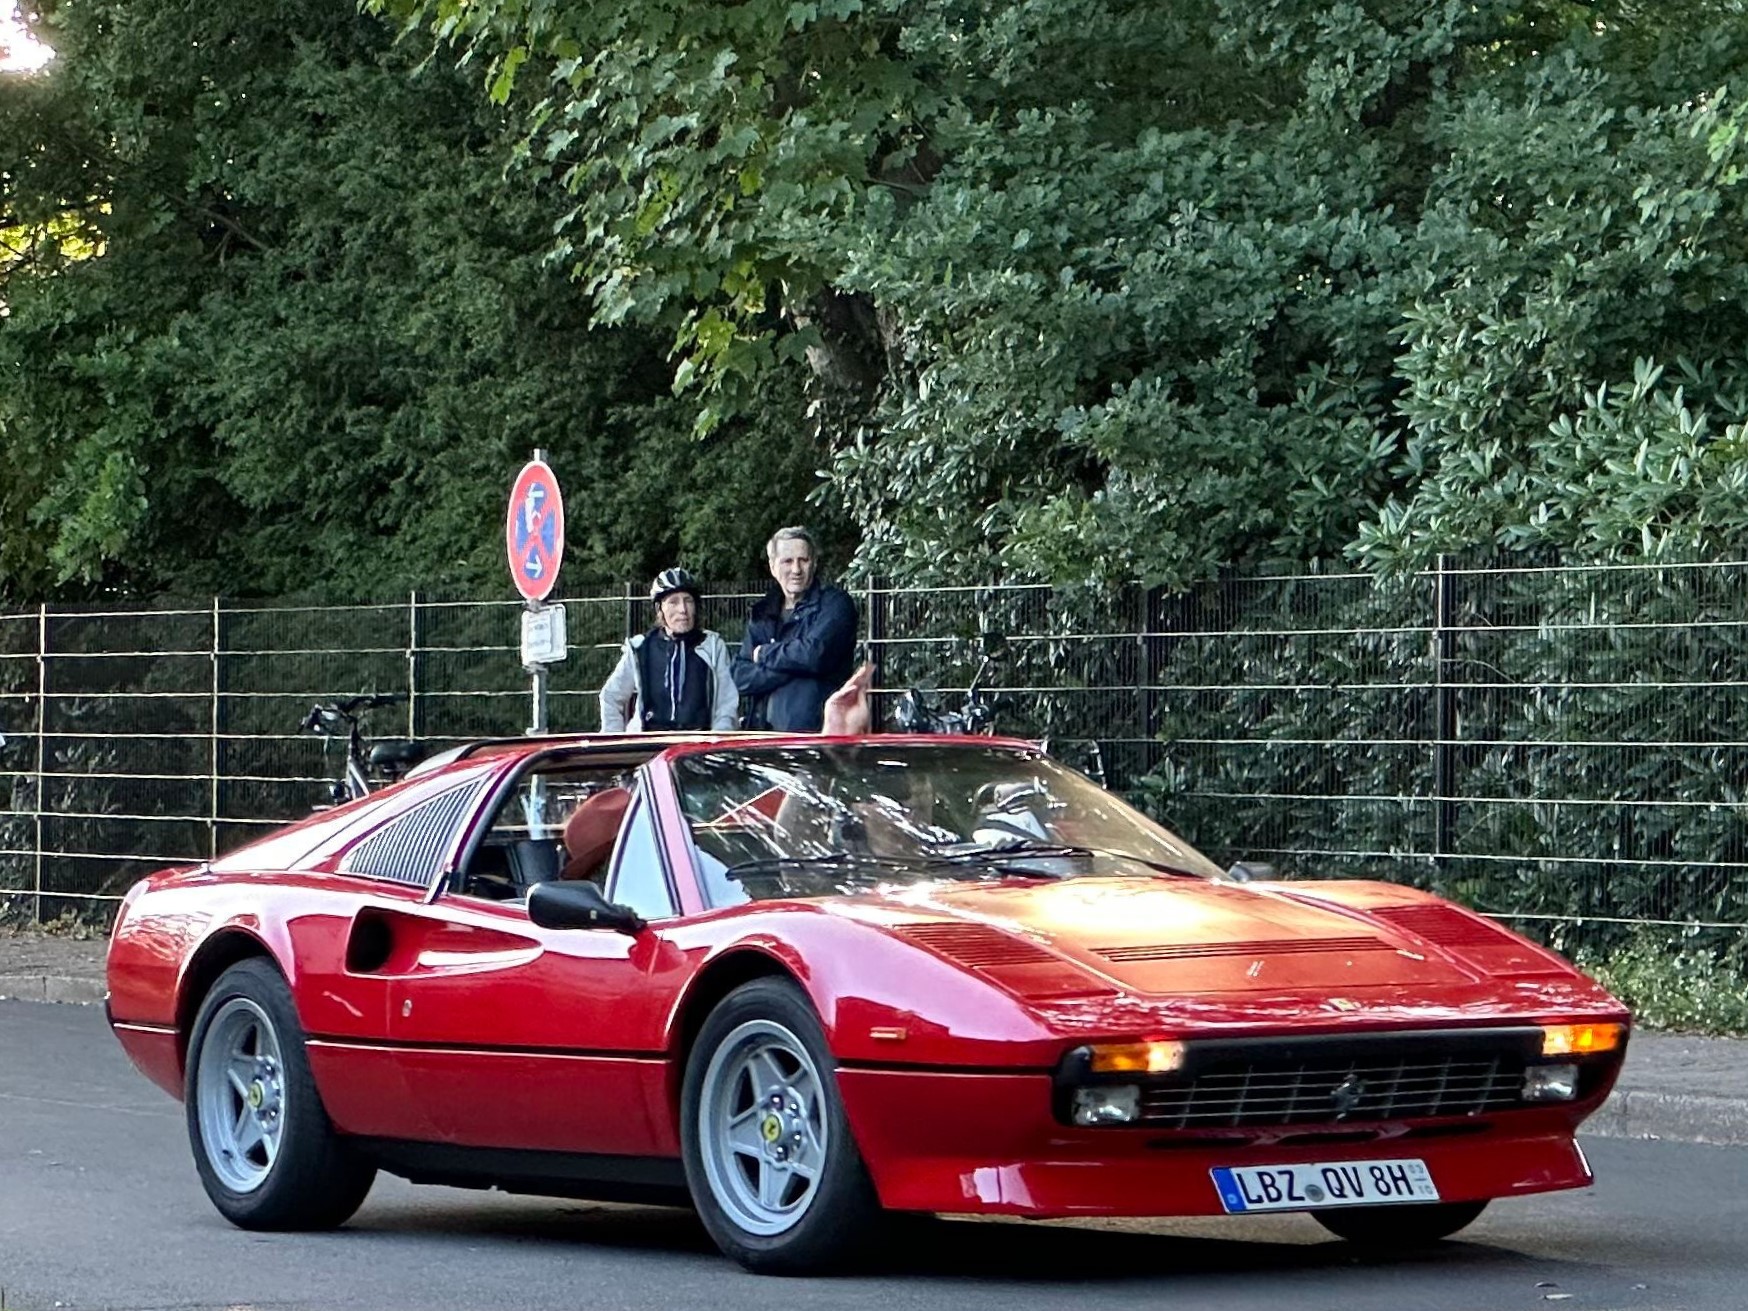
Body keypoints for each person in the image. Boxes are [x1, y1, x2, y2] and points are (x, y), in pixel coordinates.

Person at [732, 526, 859, 731]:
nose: (796, 569)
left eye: (804, 560)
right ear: (773, 567)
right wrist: (797, 667)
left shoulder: (835, 604)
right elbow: (740, 676)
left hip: (818, 737)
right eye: (787, 561)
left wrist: (764, 654)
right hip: (762, 737)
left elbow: (815, 654)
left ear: (814, 563)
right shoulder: (762, 613)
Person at [599, 568, 739, 732]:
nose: (683, 609)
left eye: (688, 601)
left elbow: (726, 705)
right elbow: (611, 696)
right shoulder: (640, 648)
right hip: (649, 744)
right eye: (673, 602)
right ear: (660, 609)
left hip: (697, 745)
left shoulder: (712, 646)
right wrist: (617, 744)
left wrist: (715, 743)